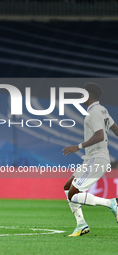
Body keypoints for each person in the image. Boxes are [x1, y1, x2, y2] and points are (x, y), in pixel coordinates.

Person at [62, 82, 118, 237]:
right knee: (68, 187)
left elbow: (100, 135)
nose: (81, 96)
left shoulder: (93, 113)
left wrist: (78, 146)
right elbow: (115, 129)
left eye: (83, 93)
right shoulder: (102, 110)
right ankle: (81, 224)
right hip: (92, 159)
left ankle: (112, 203)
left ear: (89, 95)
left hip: (96, 158)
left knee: (74, 194)